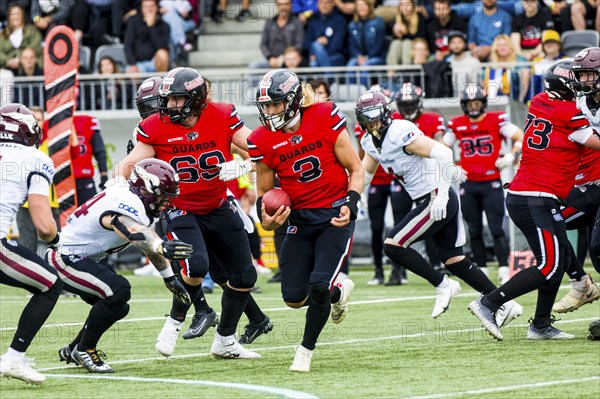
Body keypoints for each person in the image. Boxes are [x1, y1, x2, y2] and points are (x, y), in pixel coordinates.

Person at [115, 67, 261, 359]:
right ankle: (174, 322)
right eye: (167, 100)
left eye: (177, 100)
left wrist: (246, 165)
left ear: (195, 99)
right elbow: (126, 167)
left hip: (218, 204)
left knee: (245, 276)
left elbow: (260, 149)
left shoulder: (221, 114)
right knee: (196, 266)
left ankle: (226, 340)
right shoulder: (155, 126)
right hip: (179, 207)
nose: (169, 106)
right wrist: (118, 192)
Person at [355, 89, 522, 323]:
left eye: (375, 115)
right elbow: (366, 173)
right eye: (366, 117)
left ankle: (442, 285)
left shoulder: (399, 131)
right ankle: (504, 303)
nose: (372, 122)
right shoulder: (369, 141)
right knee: (456, 261)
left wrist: (442, 195)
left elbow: (443, 152)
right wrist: (353, 195)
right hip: (429, 197)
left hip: (436, 196)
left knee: (393, 246)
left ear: (386, 113)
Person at [468, 59, 600, 341]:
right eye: (575, 79)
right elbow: (594, 141)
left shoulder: (540, 101)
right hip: (536, 196)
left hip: (532, 194)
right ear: (564, 84)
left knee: (561, 256)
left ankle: (540, 324)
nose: (579, 83)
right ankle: (489, 303)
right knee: (550, 264)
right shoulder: (569, 114)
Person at [248, 70, 363, 372]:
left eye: (276, 104)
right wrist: (270, 221)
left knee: (318, 284)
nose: (270, 112)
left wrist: (351, 202)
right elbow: (264, 193)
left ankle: (305, 350)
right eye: (266, 106)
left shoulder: (324, 116)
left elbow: (357, 169)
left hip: (334, 215)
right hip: (297, 221)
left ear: (294, 100)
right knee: (294, 298)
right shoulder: (260, 140)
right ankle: (339, 293)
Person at [53, 159, 192, 373]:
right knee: (119, 290)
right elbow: (131, 230)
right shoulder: (126, 202)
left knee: (118, 306)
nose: (166, 202)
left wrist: (169, 278)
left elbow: (146, 239)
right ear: (146, 188)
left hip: (80, 258)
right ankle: (85, 349)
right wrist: (160, 245)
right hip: (65, 258)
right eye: (163, 195)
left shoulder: (130, 196)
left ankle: (75, 348)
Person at [0, 103, 63, 384]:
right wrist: (57, 241)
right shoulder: (36, 158)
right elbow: (44, 225)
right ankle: (14, 358)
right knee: (50, 284)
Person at [444, 83, 524, 285]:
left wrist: (511, 156)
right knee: (474, 229)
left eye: (477, 102)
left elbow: (520, 137)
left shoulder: (496, 120)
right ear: (464, 104)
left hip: (491, 183)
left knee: (497, 227)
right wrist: (452, 166)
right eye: (469, 103)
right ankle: (482, 269)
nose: (473, 107)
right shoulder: (457, 124)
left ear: (484, 103)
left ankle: (504, 268)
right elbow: (440, 149)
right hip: (469, 183)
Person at [570, 46, 600, 339]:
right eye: (582, 75)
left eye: (590, 74)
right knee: (549, 220)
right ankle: (578, 281)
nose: (585, 80)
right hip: (588, 183)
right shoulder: (578, 102)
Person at [249, 0, 304, 69]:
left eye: (286, 4)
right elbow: (263, 44)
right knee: (253, 66)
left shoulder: (297, 23)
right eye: (280, 4)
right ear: (277, 5)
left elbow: (299, 45)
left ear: (290, 5)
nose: (283, 7)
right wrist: (270, 57)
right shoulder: (270, 22)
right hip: (271, 60)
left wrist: (285, 58)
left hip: (290, 60)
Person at [346, 0, 387, 86]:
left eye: (364, 5)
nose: (361, 8)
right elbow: (352, 45)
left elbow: (380, 44)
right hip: (359, 57)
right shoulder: (352, 25)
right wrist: (358, 56)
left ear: (369, 7)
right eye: (358, 5)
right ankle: (350, 96)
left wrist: (367, 57)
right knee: (350, 65)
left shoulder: (378, 21)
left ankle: (364, 95)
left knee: (365, 65)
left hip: (376, 57)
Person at [124, 0, 170, 73]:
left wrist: (151, 26)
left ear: (157, 7)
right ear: (141, 8)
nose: (149, 9)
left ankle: (160, 83)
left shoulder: (164, 25)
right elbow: (128, 44)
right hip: (138, 63)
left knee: (163, 53)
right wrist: (132, 63)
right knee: (131, 70)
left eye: (152, 6)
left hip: (154, 63)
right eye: (146, 7)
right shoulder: (133, 21)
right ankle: (137, 84)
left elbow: (161, 46)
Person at [72, 115, 109, 205]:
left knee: (90, 213)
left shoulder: (87, 121)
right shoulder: (52, 123)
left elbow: (100, 152)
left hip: (84, 180)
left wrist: (104, 178)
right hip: (62, 181)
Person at [0, 4, 43, 73]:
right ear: (9, 17)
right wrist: (8, 61)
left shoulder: (31, 30)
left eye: (18, 14)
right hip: (8, 69)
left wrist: (20, 59)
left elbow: (36, 47)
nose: (16, 16)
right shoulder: (3, 34)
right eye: (13, 14)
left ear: (23, 16)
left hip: (30, 69)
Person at [386, 0, 427, 66]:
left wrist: (406, 33)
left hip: (415, 48)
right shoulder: (397, 18)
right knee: (395, 43)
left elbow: (421, 39)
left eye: (408, 4)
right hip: (400, 48)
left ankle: (407, 70)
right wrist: (396, 33)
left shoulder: (419, 17)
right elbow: (392, 36)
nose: (405, 7)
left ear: (413, 6)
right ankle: (391, 72)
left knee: (407, 43)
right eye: (402, 4)